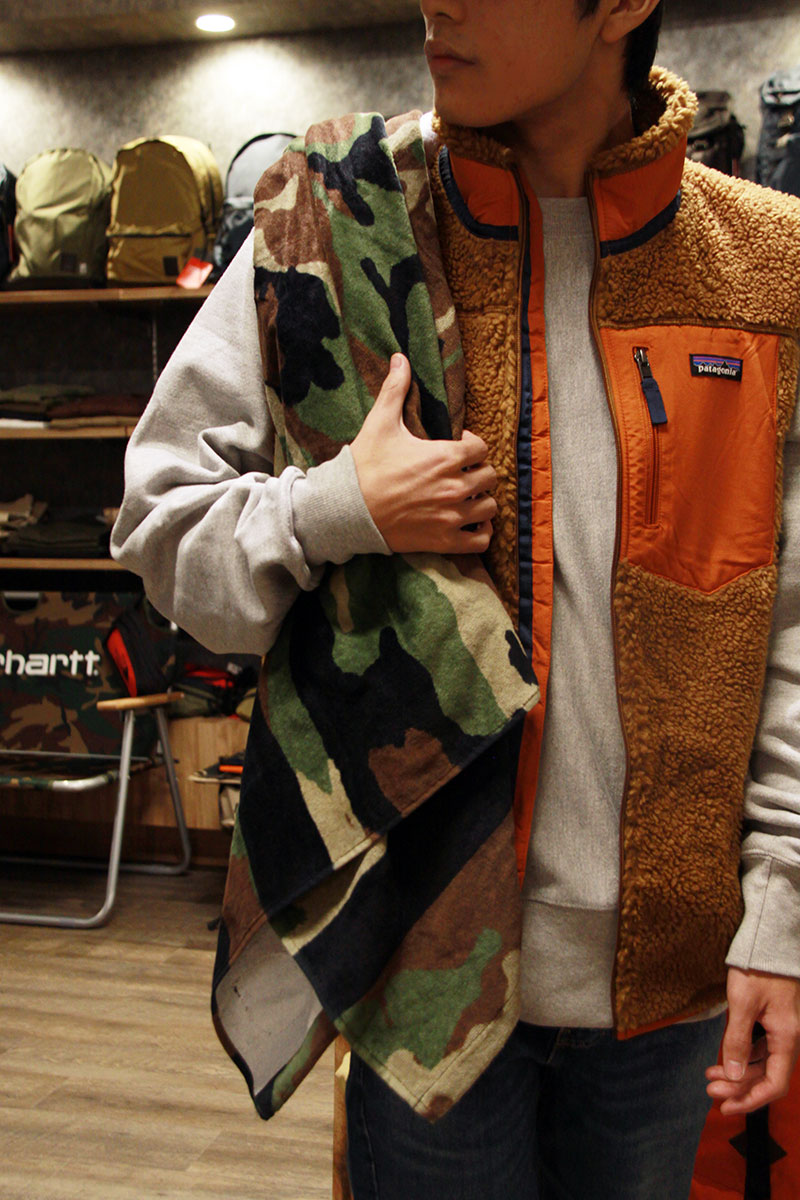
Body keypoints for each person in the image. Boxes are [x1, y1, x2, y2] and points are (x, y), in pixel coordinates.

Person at [111, 1, 800, 1197]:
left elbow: (785, 621)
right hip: (423, 957)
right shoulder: (328, 223)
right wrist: (335, 508)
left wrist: (781, 910)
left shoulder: (765, 264)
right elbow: (160, 534)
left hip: (672, 967)